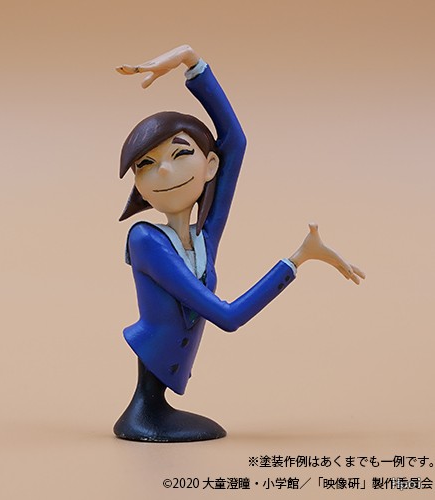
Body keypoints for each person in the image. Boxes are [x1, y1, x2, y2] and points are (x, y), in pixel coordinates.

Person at [113, 45, 365, 442]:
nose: (163, 170)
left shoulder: (203, 238)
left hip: (169, 370)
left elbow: (235, 141)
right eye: (146, 164)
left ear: (209, 166)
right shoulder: (145, 239)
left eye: (180, 154)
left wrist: (191, 62)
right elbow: (227, 317)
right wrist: (296, 260)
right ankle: (147, 414)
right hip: (152, 367)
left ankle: (156, 410)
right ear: (139, 186)